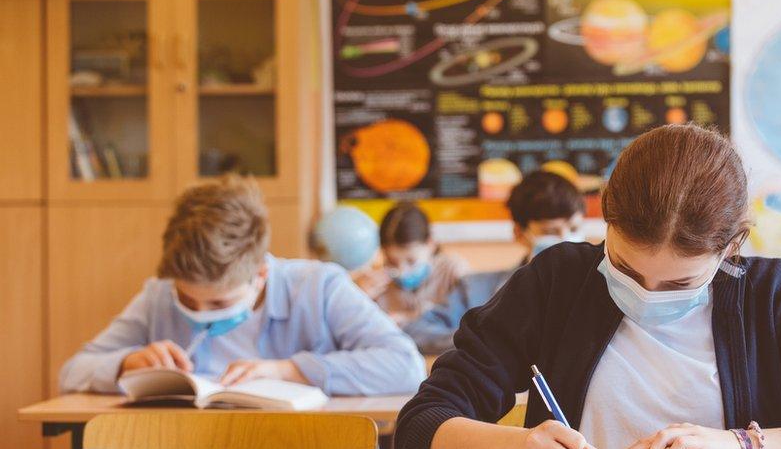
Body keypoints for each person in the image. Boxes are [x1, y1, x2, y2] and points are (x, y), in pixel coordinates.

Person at [394, 124, 781, 449]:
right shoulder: (555, 282)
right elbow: (422, 424)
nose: (645, 295)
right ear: (605, 217)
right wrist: (513, 447)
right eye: (624, 268)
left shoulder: (769, 297)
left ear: (732, 248)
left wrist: (744, 446)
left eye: (680, 285)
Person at [59, 175, 426, 396]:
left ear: (261, 274)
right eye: (187, 299)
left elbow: (405, 365)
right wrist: (125, 362)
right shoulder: (158, 295)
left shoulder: (319, 287)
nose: (199, 314)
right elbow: (73, 371)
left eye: (218, 305)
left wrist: (287, 371)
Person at [404, 171, 586, 355]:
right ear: (519, 233)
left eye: (574, 228)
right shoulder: (475, 289)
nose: (566, 240)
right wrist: (483, 340)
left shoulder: (603, 285)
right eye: (550, 232)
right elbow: (418, 332)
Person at [355, 202, 468, 328]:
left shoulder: (453, 271)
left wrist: (409, 317)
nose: (402, 271)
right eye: (392, 262)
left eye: (411, 261)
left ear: (430, 244)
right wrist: (357, 297)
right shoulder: (375, 286)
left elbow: (468, 319)